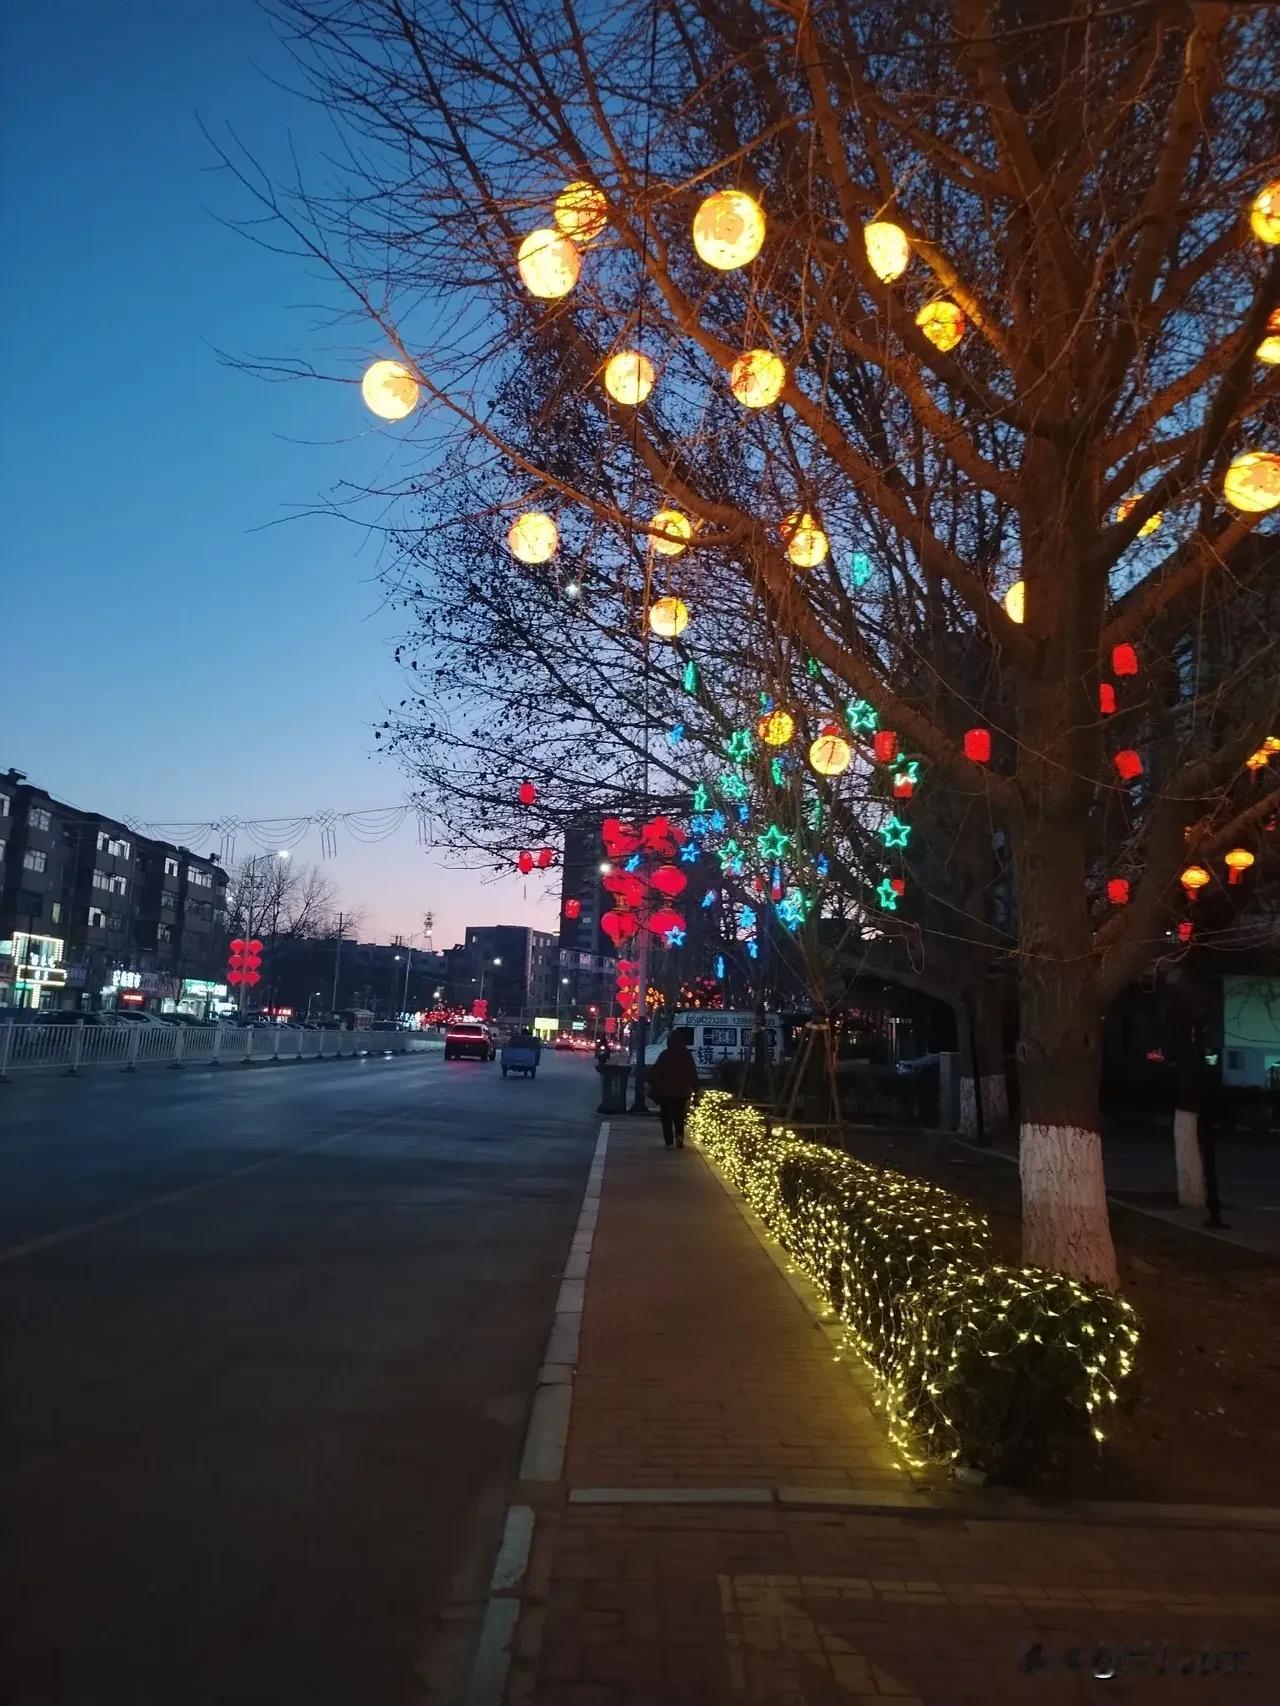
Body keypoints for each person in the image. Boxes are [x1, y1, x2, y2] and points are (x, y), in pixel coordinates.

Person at [646, 1030, 699, 1149]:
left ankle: (669, 1142)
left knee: (666, 1117)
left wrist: (649, 1081)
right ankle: (679, 1137)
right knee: (679, 1116)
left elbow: (656, 1071)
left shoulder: (665, 1054)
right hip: (682, 1092)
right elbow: (692, 1073)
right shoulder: (686, 1055)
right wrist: (696, 1089)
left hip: (666, 1092)